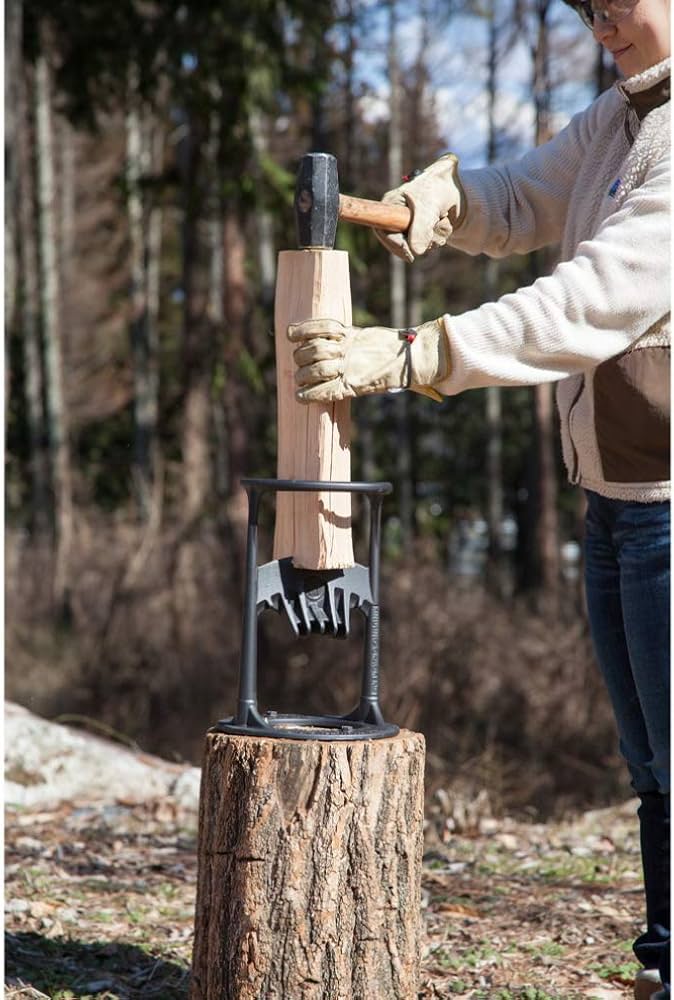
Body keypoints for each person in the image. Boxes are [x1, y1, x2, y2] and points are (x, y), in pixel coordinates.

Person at [287, 0, 670, 997]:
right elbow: (527, 194)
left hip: (670, 508)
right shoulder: (618, 120)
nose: (603, 27)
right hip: (614, 498)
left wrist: (417, 354)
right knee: (653, 768)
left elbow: (588, 303)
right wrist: (447, 202)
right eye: (588, 11)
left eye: (620, 6)